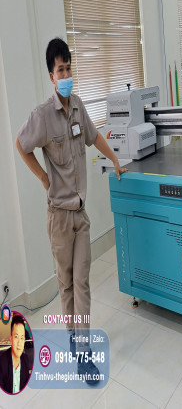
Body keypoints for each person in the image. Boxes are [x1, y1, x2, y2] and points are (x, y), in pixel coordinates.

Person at [15, 38, 128, 385]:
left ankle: (84, 350)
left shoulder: (78, 106)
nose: (66, 75)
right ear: (51, 76)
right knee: (66, 286)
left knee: (82, 283)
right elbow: (21, 144)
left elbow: (94, 137)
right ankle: (75, 346)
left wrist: (114, 158)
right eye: (60, 70)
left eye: (68, 68)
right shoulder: (43, 116)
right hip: (59, 218)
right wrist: (43, 178)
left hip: (81, 215)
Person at [0, 314, 31, 394]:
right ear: (11, 339)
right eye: (16, 337)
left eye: (22, 338)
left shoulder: (25, 360)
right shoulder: (2, 363)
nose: (19, 343)